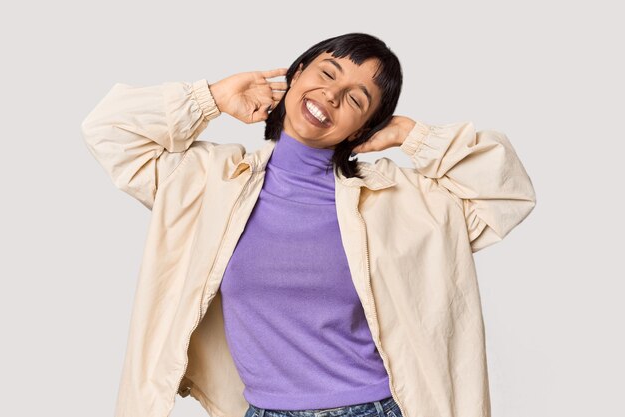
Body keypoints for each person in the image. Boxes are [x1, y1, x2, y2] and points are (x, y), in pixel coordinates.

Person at [81, 33, 536, 417]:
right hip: (261, 409)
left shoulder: (400, 202)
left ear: (364, 127)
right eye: (327, 72)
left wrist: (409, 134)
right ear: (296, 73)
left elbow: (506, 194)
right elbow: (108, 130)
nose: (332, 95)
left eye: (357, 99)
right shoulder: (206, 185)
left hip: (370, 408)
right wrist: (212, 99)